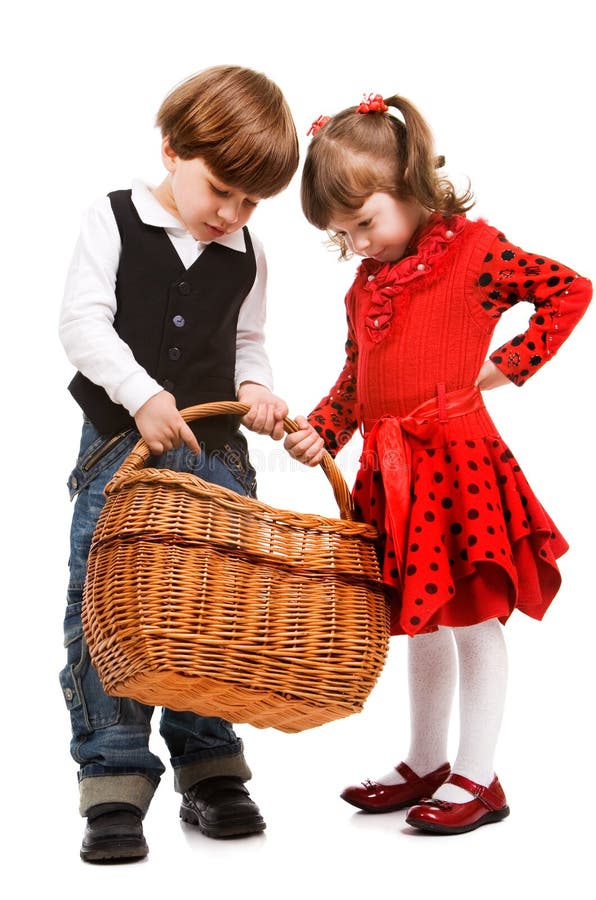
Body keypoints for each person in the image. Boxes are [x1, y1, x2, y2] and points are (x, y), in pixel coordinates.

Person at [285, 92, 591, 835]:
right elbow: (358, 381)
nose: (357, 244)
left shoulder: (476, 253)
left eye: (366, 222)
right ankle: (425, 759)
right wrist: (324, 431)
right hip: (394, 478)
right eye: (341, 234)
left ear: (413, 186)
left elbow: (567, 290)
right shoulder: (364, 289)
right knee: (421, 622)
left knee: (474, 616)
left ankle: (479, 776)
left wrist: (510, 364)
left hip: (458, 465)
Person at [59, 65, 299, 862]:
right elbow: (82, 324)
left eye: (249, 203)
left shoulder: (246, 251)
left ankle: (212, 768)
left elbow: (247, 342)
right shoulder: (112, 217)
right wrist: (139, 394)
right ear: (171, 151)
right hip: (120, 448)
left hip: (217, 454)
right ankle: (115, 779)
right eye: (220, 191)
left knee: (216, 607)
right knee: (112, 606)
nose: (230, 214)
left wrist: (257, 388)